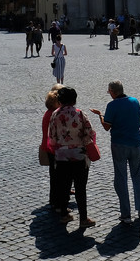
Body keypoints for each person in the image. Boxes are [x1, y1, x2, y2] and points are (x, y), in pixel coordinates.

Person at [90, 80, 140, 225]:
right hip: (136, 144)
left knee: (121, 178)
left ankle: (125, 214)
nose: (108, 93)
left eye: (109, 91)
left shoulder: (112, 105)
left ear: (113, 92)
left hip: (119, 145)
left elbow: (106, 127)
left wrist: (100, 115)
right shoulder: (134, 101)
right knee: (137, 177)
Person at [48, 86, 96, 230]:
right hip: (79, 156)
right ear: (74, 99)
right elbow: (89, 133)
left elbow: (51, 138)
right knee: (81, 188)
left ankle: (64, 214)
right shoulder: (79, 114)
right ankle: (83, 218)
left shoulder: (55, 115)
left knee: (64, 186)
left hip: (62, 156)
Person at [40, 87, 62, 212]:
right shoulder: (54, 114)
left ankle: (54, 200)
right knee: (57, 176)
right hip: (53, 148)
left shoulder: (48, 113)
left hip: (48, 146)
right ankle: (58, 203)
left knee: (54, 175)